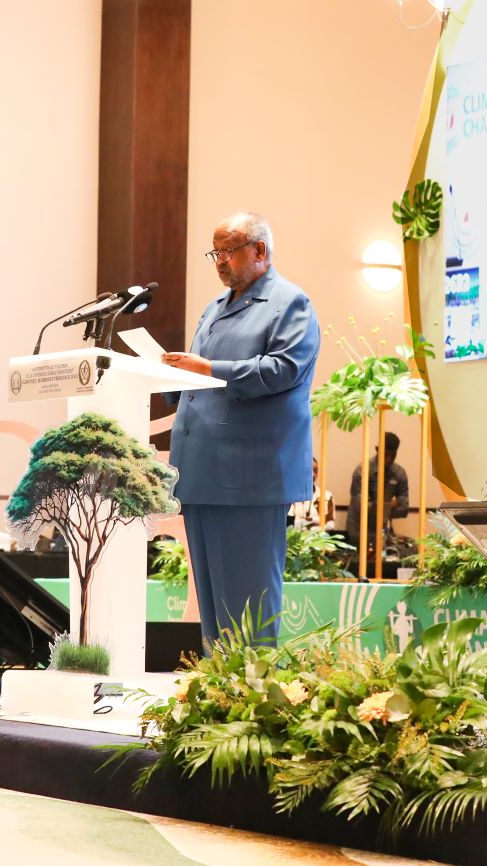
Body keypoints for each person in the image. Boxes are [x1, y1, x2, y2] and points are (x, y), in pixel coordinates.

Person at [162, 211, 320, 646]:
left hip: (250, 475)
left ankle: (253, 686)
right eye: (215, 252)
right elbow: (199, 376)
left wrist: (207, 368)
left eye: (228, 251)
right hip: (201, 471)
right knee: (214, 607)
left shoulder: (290, 303)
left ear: (259, 250)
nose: (219, 261)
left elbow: (282, 370)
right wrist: (168, 376)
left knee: (249, 605)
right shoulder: (215, 307)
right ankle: (221, 683)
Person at [346, 432, 409, 549]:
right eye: (385, 455)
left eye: (393, 455)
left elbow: (404, 509)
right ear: (377, 449)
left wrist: (378, 507)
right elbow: (361, 507)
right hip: (359, 531)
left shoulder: (399, 473)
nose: (388, 459)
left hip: (383, 532)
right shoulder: (362, 471)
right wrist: (391, 505)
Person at [288, 457, 336, 531]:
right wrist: (314, 521)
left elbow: (330, 523)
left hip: (317, 537)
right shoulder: (289, 496)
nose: (313, 474)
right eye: (308, 470)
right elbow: (288, 522)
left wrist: (312, 528)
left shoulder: (326, 496)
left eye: (315, 470)